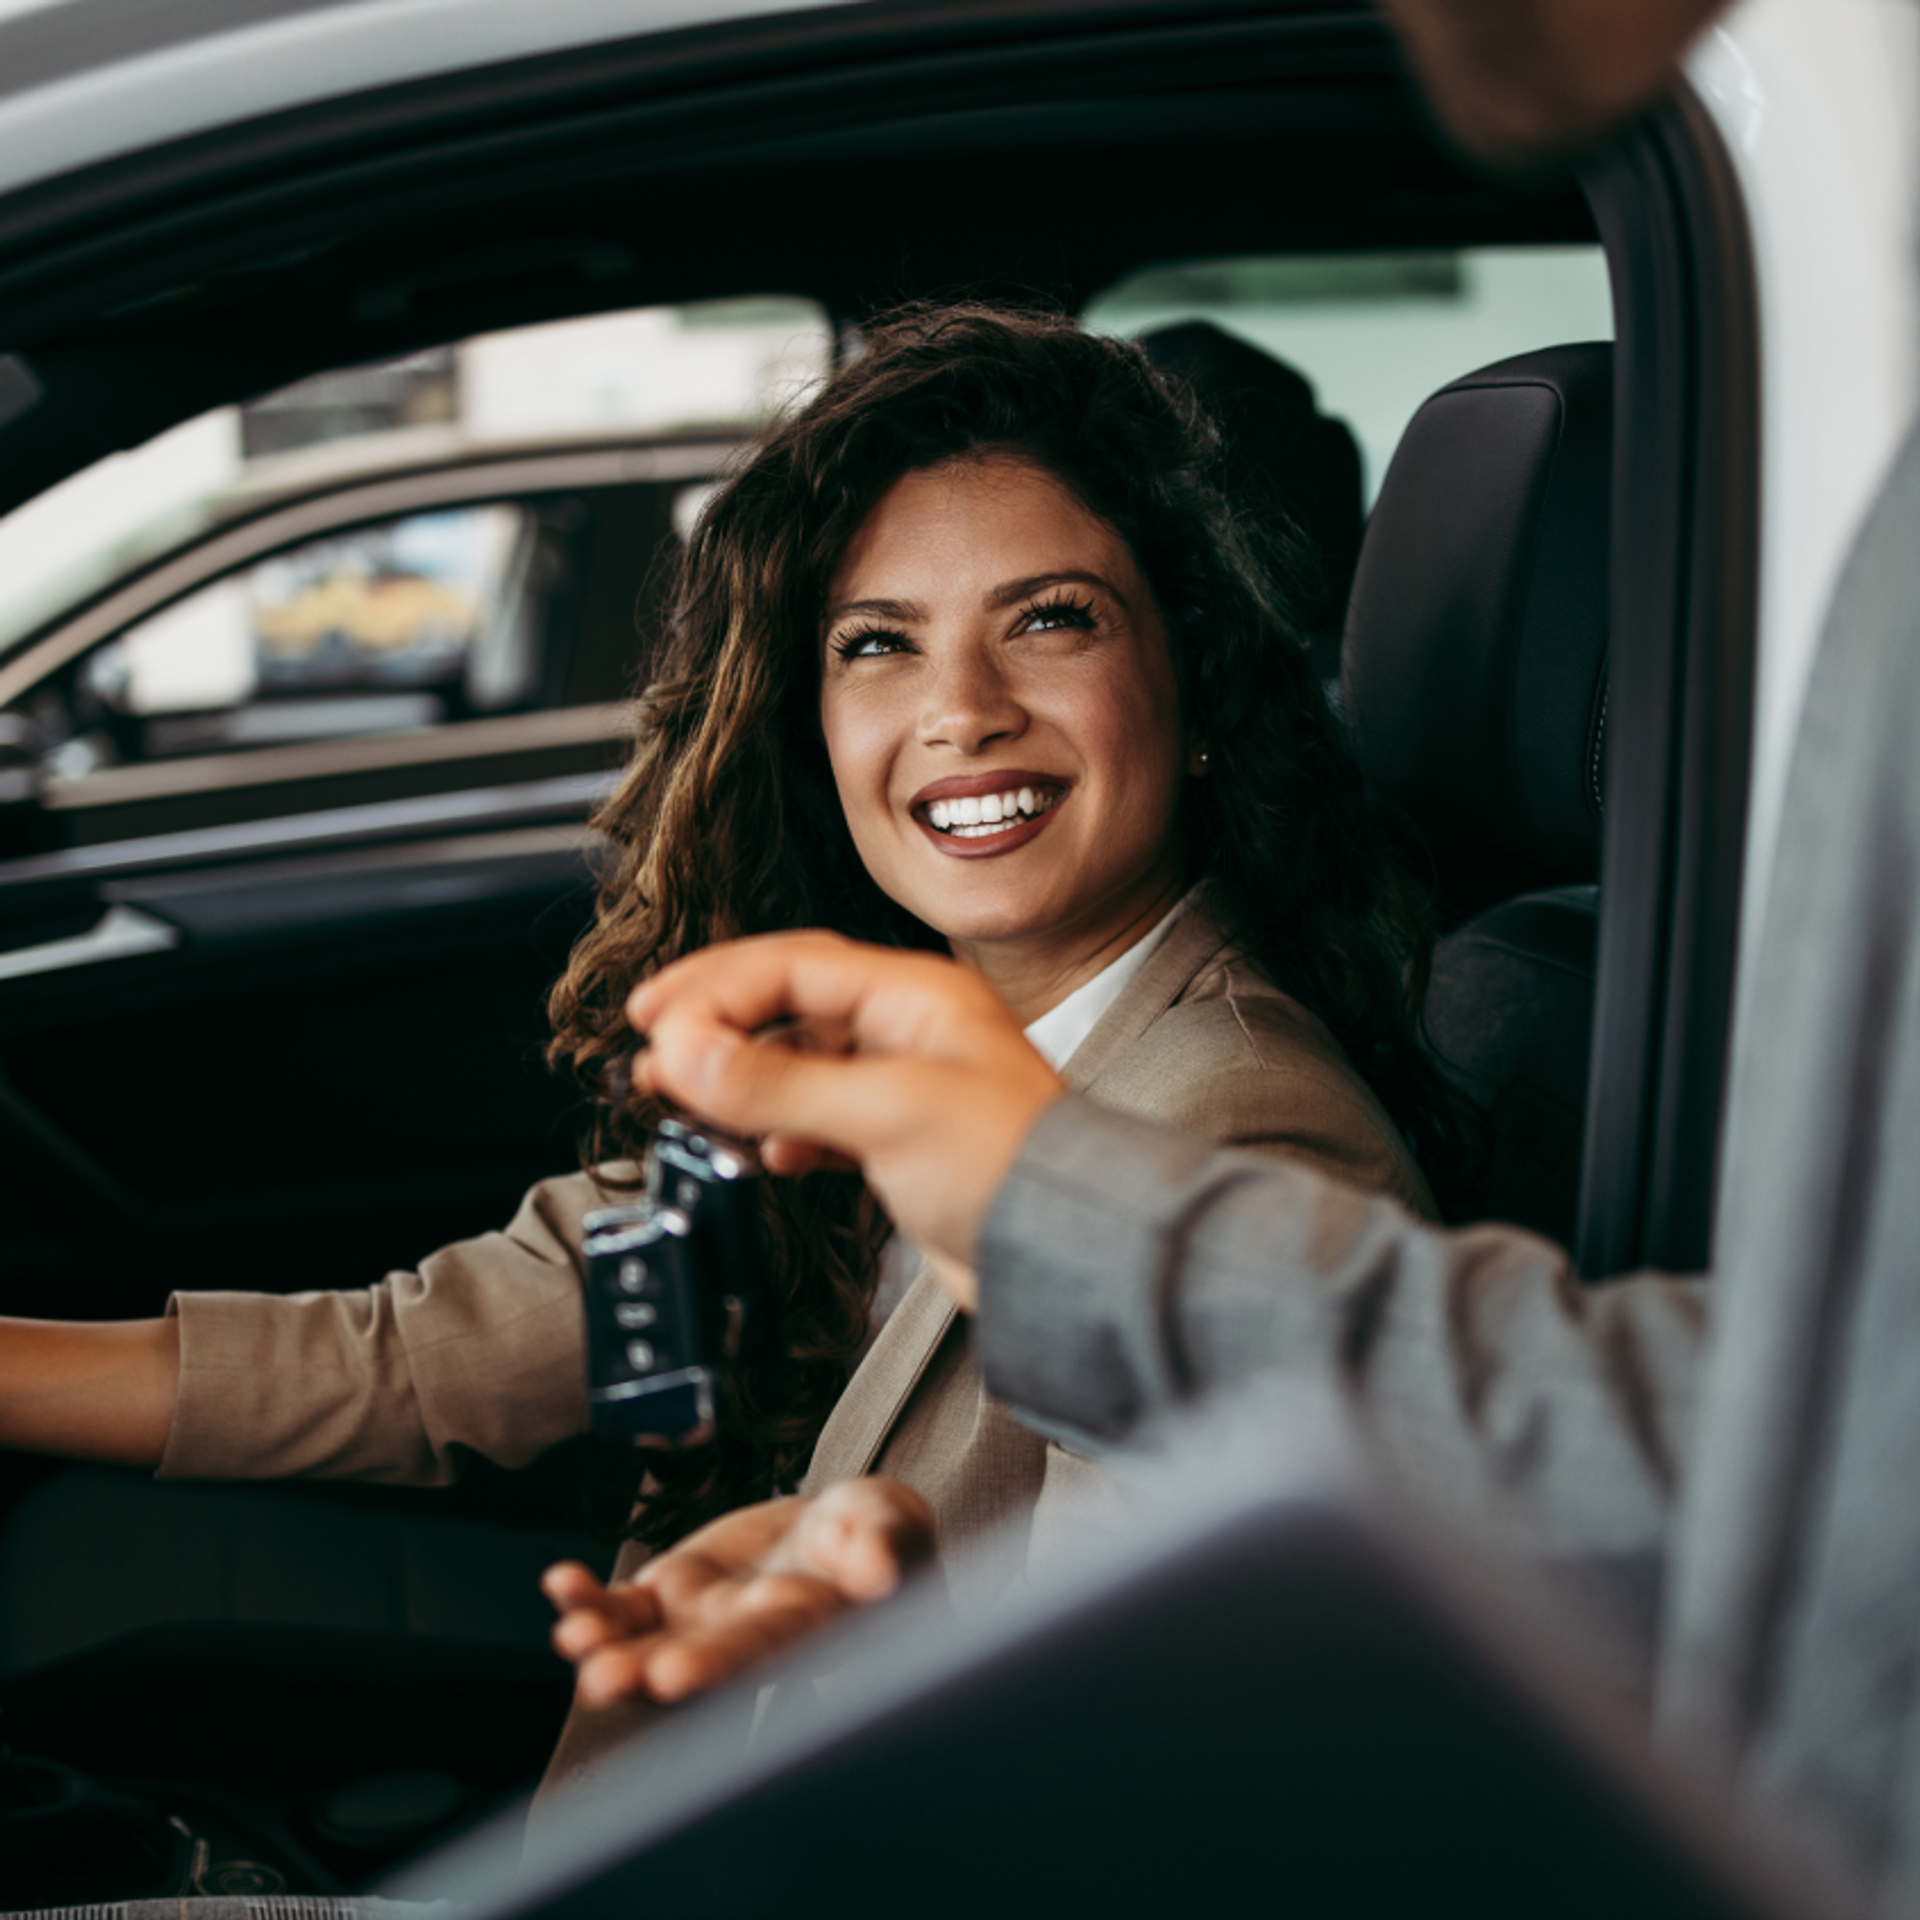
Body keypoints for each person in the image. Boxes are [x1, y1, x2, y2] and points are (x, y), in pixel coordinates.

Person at [0, 306, 1452, 1771]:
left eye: (1050, 618)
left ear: (1194, 686)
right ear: (809, 724)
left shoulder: (1243, 1135)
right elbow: (437, 1356)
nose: (962, 709)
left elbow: (1126, 1772)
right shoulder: (870, 1044)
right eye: (878, 644)